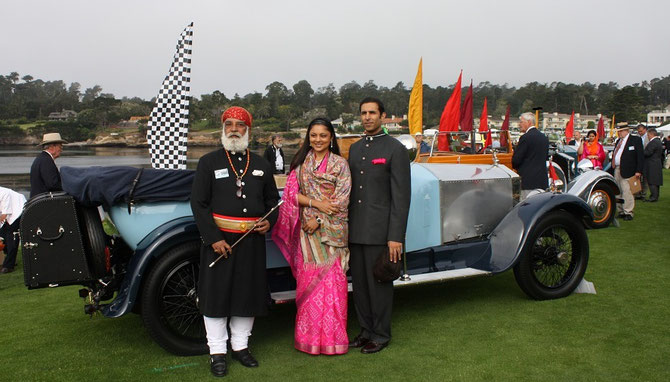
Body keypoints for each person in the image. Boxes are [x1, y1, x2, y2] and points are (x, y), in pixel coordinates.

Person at [190, 106, 280, 377]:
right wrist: (213, 238)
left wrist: (269, 222)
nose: (233, 129)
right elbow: (199, 203)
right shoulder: (209, 162)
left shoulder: (262, 165)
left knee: (246, 294)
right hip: (220, 241)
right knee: (216, 296)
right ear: (223, 128)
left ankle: (241, 347)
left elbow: (272, 202)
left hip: (251, 241)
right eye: (228, 124)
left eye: (239, 125)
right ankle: (217, 352)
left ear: (247, 130)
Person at [272, 118, 352, 355]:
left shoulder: (340, 165)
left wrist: (318, 219)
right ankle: (307, 338)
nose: (318, 140)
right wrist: (315, 203)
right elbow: (290, 196)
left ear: (331, 138)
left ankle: (332, 339)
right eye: (314, 135)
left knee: (333, 286)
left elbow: (342, 201)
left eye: (323, 136)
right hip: (307, 235)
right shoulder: (301, 164)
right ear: (309, 137)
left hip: (331, 234)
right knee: (308, 284)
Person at [347, 97, 411, 354]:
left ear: (383, 116)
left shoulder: (395, 149)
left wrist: (395, 236)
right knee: (360, 287)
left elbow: (401, 197)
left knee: (380, 286)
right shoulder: (354, 148)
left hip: (381, 233)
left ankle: (381, 334)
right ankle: (365, 330)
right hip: (356, 230)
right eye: (363, 113)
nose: (367, 117)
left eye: (372, 113)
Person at [512, 112, 549, 199]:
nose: (519, 124)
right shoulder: (544, 137)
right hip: (542, 181)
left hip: (528, 182)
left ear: (528, 122)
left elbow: (516, 160)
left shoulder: (525, 138)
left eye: (521, 122)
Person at [612, 124, 644, 221]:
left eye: (620, 131)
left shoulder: (635, 140)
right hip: (617, 168)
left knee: (627, 191)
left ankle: (628, 211)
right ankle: (620, 210)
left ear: (626, 131)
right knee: (618, 191)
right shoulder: (618, 141)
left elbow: (640, 156)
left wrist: (639, 170)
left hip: (629, 169)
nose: (619, 133)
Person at [30, 132, 67, 198]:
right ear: (52, 147)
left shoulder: (42, 158)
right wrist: (69, 187)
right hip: (43, 202)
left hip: (39, 200)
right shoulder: (46, 160)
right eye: (60, 146)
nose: (61, 149)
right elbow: (52, 184)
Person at [0, 187, 26, 274]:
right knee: (3, 234)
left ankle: (8, 266)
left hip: (18, 210)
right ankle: (8, 259)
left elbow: (4, 215)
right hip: (9, 212)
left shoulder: (3, 194)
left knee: (11, 236)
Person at [643, 128, 663, 202]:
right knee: (655, 181)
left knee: (652, 181)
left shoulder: (653, 142)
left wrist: (642, 152)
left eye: (648, 135)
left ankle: (653, 197)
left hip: (652, 164)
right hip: (656, 163)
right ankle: (655, 196)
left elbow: (648, 153)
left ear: (651, 134)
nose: (647, 136)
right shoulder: (658, 141)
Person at [636, 124, 650, 199]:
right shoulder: (638, 138)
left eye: (641, 131)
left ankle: (643, 194)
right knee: (638, 178)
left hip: (646, 160)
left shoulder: (648, 137)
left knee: (645, 178)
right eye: (638, 132)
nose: (640, 133)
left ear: (645, 129)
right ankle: (638, 193)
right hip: (639, 160)